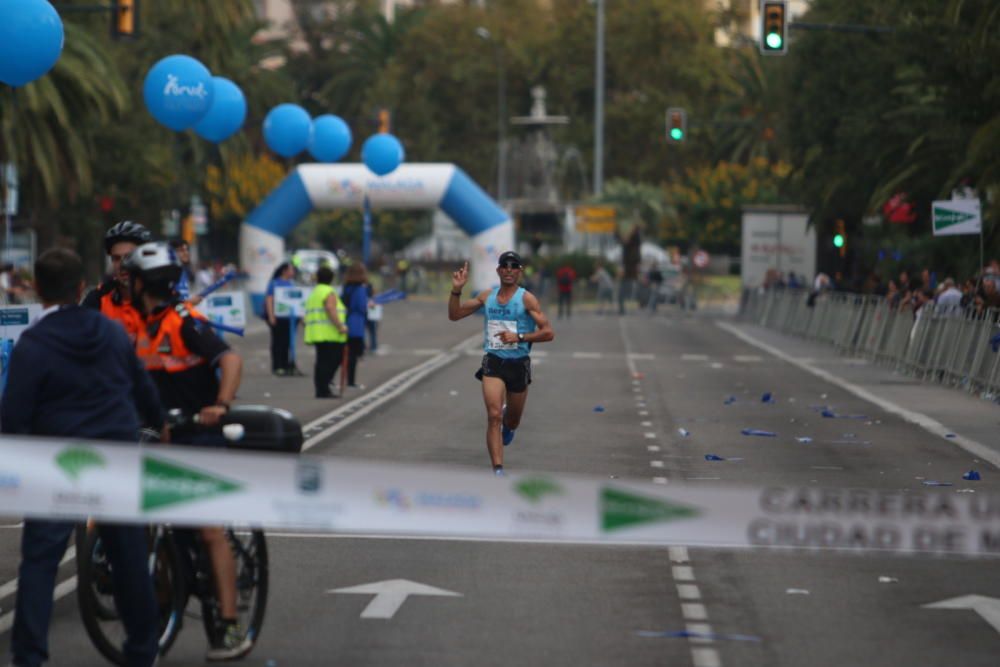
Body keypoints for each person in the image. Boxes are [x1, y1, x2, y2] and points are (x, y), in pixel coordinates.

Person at [3, 248, 162, 667]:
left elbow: (14, 414)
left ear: (37, 289)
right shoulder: (110, 333)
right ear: (81, 289)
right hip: (115, 457)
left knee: (39, 562)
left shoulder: (33, 344)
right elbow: (143, 388)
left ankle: (29, 655)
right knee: (128, 558)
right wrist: (161, 424)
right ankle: (143, 649)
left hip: (57, 464)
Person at [122, 242, 250, 661]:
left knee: (210, 530)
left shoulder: (184, 322)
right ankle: (160, 612)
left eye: (132, 279)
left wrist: (220, 405)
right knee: (160, 532)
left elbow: (230, 360)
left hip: (199, 436)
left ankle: (230, 626)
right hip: (162, 438)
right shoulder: (140, 326)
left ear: (143, 283)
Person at [448, 252, 555, 476]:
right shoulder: (487, 296)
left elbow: (548, 333)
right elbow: (455, 315)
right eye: (504, 266)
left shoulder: (527, 299)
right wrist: (457, 289)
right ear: (498, 271)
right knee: (494, 415)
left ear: (519, 271)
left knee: (512, 420)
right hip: (494, 361)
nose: (508, 269)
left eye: (513, 266)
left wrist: (520, 337)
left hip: (519, 363)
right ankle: (498, 469)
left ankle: (510, 424)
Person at [82, 220, 154, 342]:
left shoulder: (161, 298)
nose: (122, 265)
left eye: (129, 256)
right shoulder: (97, 300)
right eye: (116, 258)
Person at [304, 265, 348, 399]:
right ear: (332, 278)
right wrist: (340, 326)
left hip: (316, 333)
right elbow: (330, 308)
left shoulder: (315, 292)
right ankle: (324, 387)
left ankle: (321, 389)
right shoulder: (328, 292)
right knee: (333, 360)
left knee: (321, 361)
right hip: (330, 333)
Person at [264, 262, 299, 376]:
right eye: (291, 270)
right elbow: (269, 300)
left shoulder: (291, 284)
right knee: (278, 342)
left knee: (287, 342)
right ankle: (277, 366)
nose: (293, 272)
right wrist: (271, 316)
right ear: (284, 271)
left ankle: (286, 364)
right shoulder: (274, 284)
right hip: (277, 317)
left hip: (289, 318)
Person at [340, 263, 370, 390]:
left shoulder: (346, 288)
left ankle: (341, 380)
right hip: (356, 323)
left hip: (346, 320)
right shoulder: (360, 289)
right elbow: (361, 307)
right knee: (354, 354)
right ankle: (351, 381)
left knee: (346, 352)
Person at [168, 238, 203, 306]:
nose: (186, 253)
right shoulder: (168, 273)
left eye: (187, 250)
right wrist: (189, 303)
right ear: (171, 253)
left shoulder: (184, 271)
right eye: (181, 250)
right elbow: (166, 303)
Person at [365, 280, 382, 353]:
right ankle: (373, 347)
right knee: (373, 332)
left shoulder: (364, 297)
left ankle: (365, 347)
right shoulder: (374, 298)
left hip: (366, 316)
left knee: (366, 332)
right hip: (372, 317)